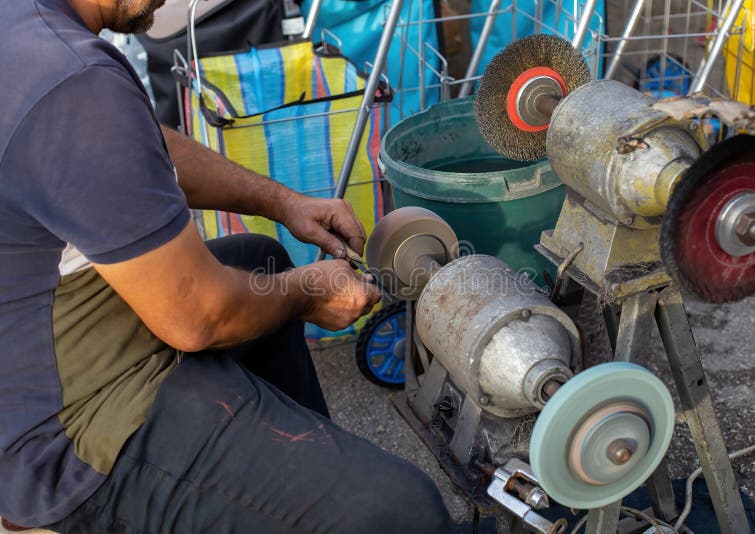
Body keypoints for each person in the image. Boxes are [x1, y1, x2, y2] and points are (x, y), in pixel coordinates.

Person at [0, 0, 453, 532]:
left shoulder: (28, 27)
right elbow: (198, 316)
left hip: (36, 346)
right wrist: (308, 292)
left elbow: (135, 146)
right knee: (402, 510)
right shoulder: (73, 81)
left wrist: (283, 203)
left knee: (258, 261)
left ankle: (297, 491)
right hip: (60, 436)